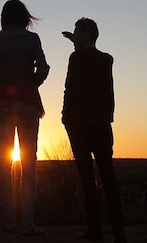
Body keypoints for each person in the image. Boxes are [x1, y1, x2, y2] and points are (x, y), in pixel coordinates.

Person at [0, 0, 50, 234]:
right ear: (23, 17)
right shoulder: (32, 39)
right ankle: (28, 222)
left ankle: (9, 218)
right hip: (28, 104)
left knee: (4, 160)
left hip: (2, 104)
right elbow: (44, 68)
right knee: (29, 163)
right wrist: (31, 84)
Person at [61, 18, 126, 243]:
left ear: (87, 34)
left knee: (87, 179)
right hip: (101, 125)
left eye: (77, 32)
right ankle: (118, 231)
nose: (74, 36)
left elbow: (70, 89)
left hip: (79, 125)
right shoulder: (106, 60)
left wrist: (65, 117)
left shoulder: (76, 58)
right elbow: (108, 94)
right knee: (108, 177)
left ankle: (96, 230)